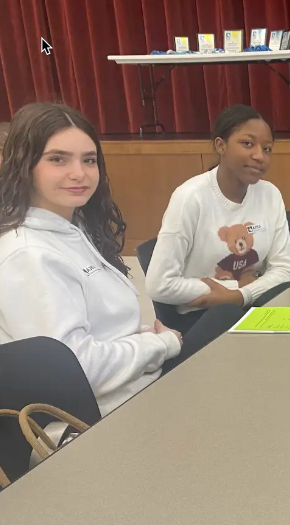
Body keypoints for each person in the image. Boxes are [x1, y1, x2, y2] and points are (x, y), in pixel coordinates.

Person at [0, 103, 182, 418]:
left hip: (138, 384)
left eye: (89, 160)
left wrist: (145, 338)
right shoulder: (28, 255)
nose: (79, 173)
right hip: (106, 417)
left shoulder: (72, 228)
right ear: (24, 164)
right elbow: (76, 370)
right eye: (58, 159)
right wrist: (161, 345)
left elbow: (103, 330)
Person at [145, 104, 290, 339]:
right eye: (248, 144)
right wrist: (235, 288)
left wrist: (240, 296)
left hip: (253, 305)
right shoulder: (190, 198)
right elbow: (159, 284)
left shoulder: (270, 194)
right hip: (201, 318)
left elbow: (286, 270)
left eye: (267, 149)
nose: (260, 156)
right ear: (221, 145)